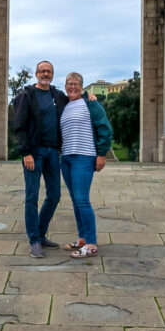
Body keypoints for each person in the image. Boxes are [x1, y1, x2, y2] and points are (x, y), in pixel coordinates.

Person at [12, 60, 67, 258]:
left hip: (53, 152)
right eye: (42, 71)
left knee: (54, 195)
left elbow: (75, 102)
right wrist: (25, 152)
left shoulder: (58, 96)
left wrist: (90, 97)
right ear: (36, 74)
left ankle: (41, 233)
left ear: (52, 74)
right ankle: (34, 240)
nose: (45, 74)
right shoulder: (26, 96)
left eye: (49, 71)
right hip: (34, 153)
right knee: (32, 197)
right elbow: (19, 125)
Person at [60, 72, 113, 260]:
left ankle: (91, 244)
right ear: (65, 86)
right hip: (66, 158)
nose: (72, 86)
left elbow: (104, 128)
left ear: (81, 86)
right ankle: (82, 238)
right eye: (69, 83)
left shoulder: (91, 103)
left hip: (84, 157)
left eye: (75, 83)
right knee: (75, 200)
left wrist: (101, 154)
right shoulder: (64, 106)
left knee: (82, 200)